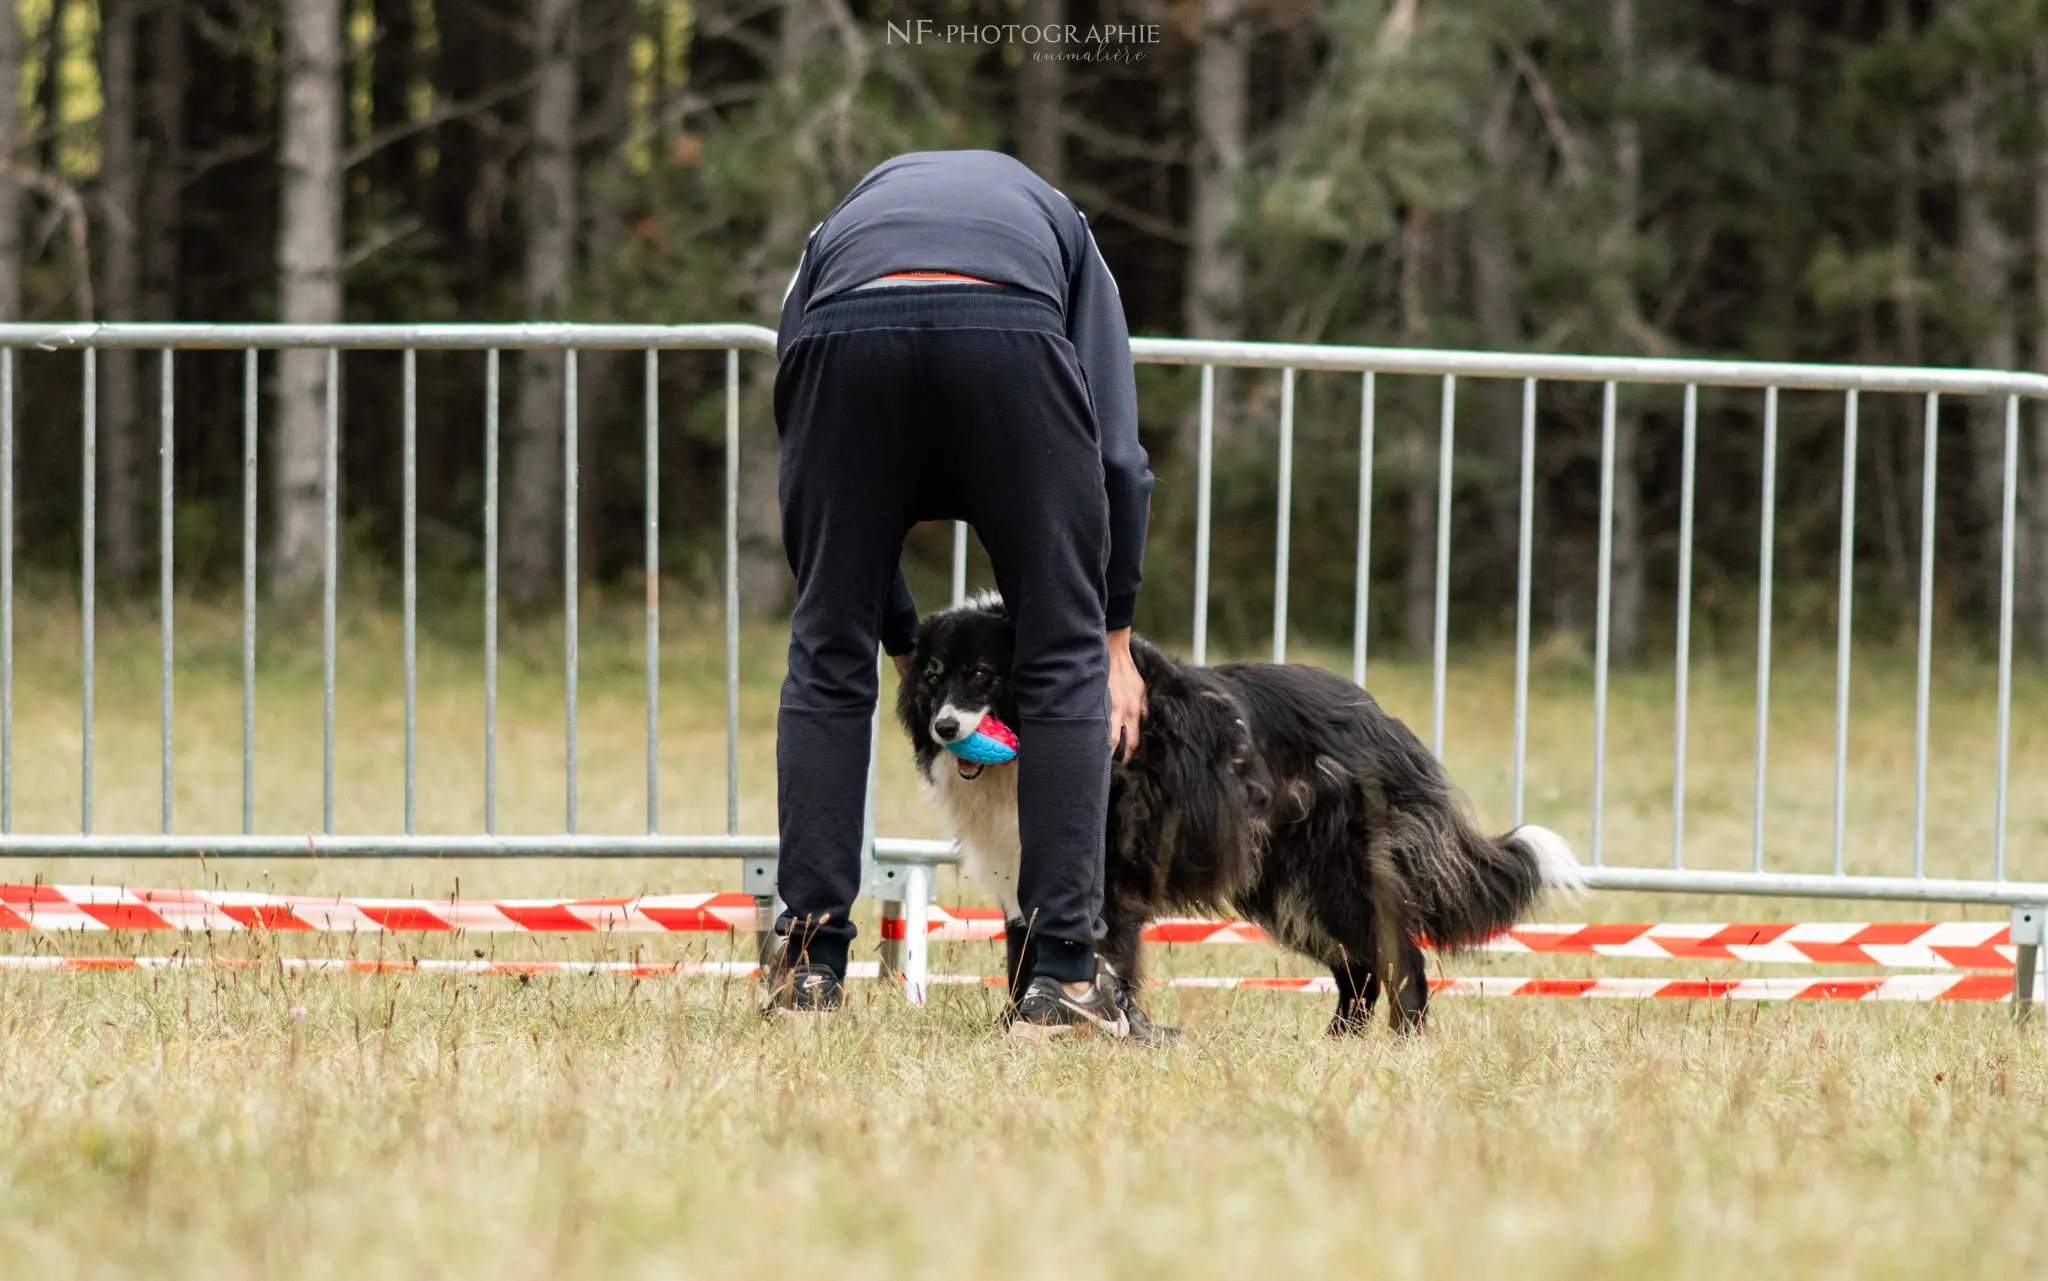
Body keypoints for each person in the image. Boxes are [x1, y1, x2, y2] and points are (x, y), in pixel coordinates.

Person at [765, 150, 1153, 1038]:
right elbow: (1120, 461)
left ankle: (808, 971)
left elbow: (803, 444)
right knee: (1058, 658)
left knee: (825, 659)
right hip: (1010, 336)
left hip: (844, 341)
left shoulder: (835, 229)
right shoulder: (1065, 224)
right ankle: (1062, 981)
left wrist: (882, 630)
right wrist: (1113, 638)